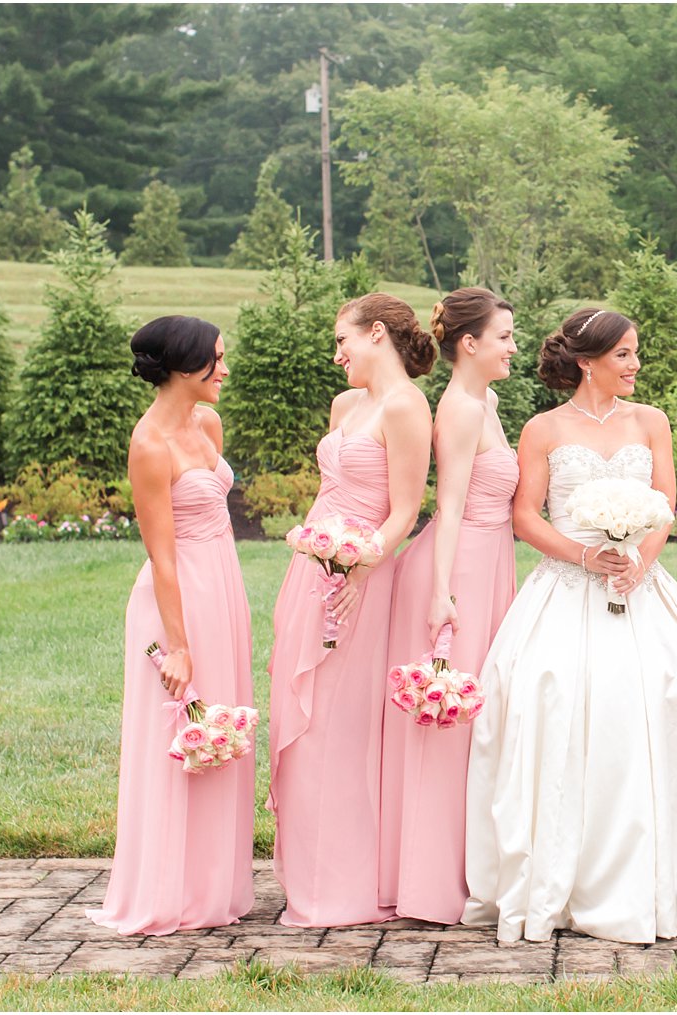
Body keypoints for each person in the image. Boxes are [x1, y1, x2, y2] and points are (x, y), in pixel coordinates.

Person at [463, 307, 677, 944]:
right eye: (624, 356)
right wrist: (586, 555)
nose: (635, 365)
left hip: (641, 586)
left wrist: (641, 560)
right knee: (555, 705)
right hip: (566, 586)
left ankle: (666, 874)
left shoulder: (652, 422)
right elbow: (526, 516)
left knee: (669, 702)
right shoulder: (543, 428)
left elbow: (665, 505)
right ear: (588, 362)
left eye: (636, 353)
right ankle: (563, 874)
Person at [266, 293, 433, 928]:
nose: (337, 355)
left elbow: (405, 510)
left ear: (378, 334)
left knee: (339, 724)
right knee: (299, 715)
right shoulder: (345, 405)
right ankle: (303, 876)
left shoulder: (407, 406)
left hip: (362, 576)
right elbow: (328, 489)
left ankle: (341, 886)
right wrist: (320, 552)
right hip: (312, 566)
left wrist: (361, 565)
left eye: (343, 341)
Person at [88, 315, 254, 935]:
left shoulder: (205, 422)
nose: (225, 369)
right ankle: (167, 891)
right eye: (216, 359)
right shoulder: (149, 444)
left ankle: (215, 887)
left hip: (223, 584)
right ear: (185, 369)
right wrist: (178, 646)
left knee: (222, 728)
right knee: (181, 729)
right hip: (176, 594)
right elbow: (161, 555)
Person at [379, 288, 519, 925]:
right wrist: (441, 593)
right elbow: (451, 506)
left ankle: (473, 865)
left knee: (480, 724)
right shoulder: (461, 408)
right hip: (460, 566)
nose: (513, 347)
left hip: (491, 560)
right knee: (451, 721)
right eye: (505, 337)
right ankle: (433, 883)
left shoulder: (487, 400)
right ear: (471, 343)